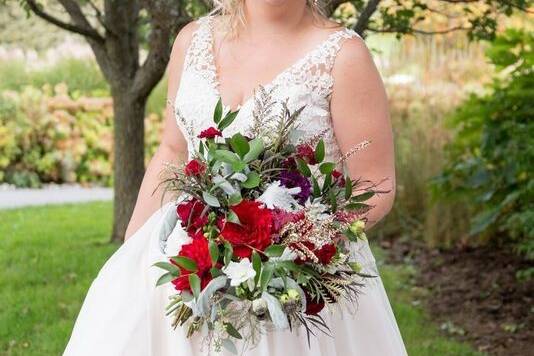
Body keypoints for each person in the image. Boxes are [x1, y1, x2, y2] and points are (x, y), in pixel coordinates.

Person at [64, 1, 407, 355]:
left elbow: (375, 184)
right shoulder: (191, 41)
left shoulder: (344, 56)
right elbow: (173, 152)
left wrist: (300, 247)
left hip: (295, 289)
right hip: (186, 267)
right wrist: (130, 255)